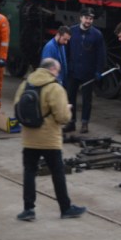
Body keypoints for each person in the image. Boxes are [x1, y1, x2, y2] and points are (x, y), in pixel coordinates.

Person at [14, 57, 86, 222]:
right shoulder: (54, 87)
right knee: (57, 172)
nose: (58, 73)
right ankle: (65, 207)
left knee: (29, 172)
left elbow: (17, 108)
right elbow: (62, 117)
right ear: (52, 70)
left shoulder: (25, 84)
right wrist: (68, 110)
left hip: (29, 137)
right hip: (49, 139)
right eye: (58, 70)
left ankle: (28, 209)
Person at [65, 8, 106, 134]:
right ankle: (71, 122)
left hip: (88, 72)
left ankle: (84, 123)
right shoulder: (72, 31)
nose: (88, 21)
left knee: (87, 99)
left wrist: (99, 70)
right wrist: (65, 66)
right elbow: (66, 50)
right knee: (70, 97)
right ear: (81, 18)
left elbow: (101, 54)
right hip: (73, 71)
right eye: (86, 18)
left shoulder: (97, 34)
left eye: (91, 19)